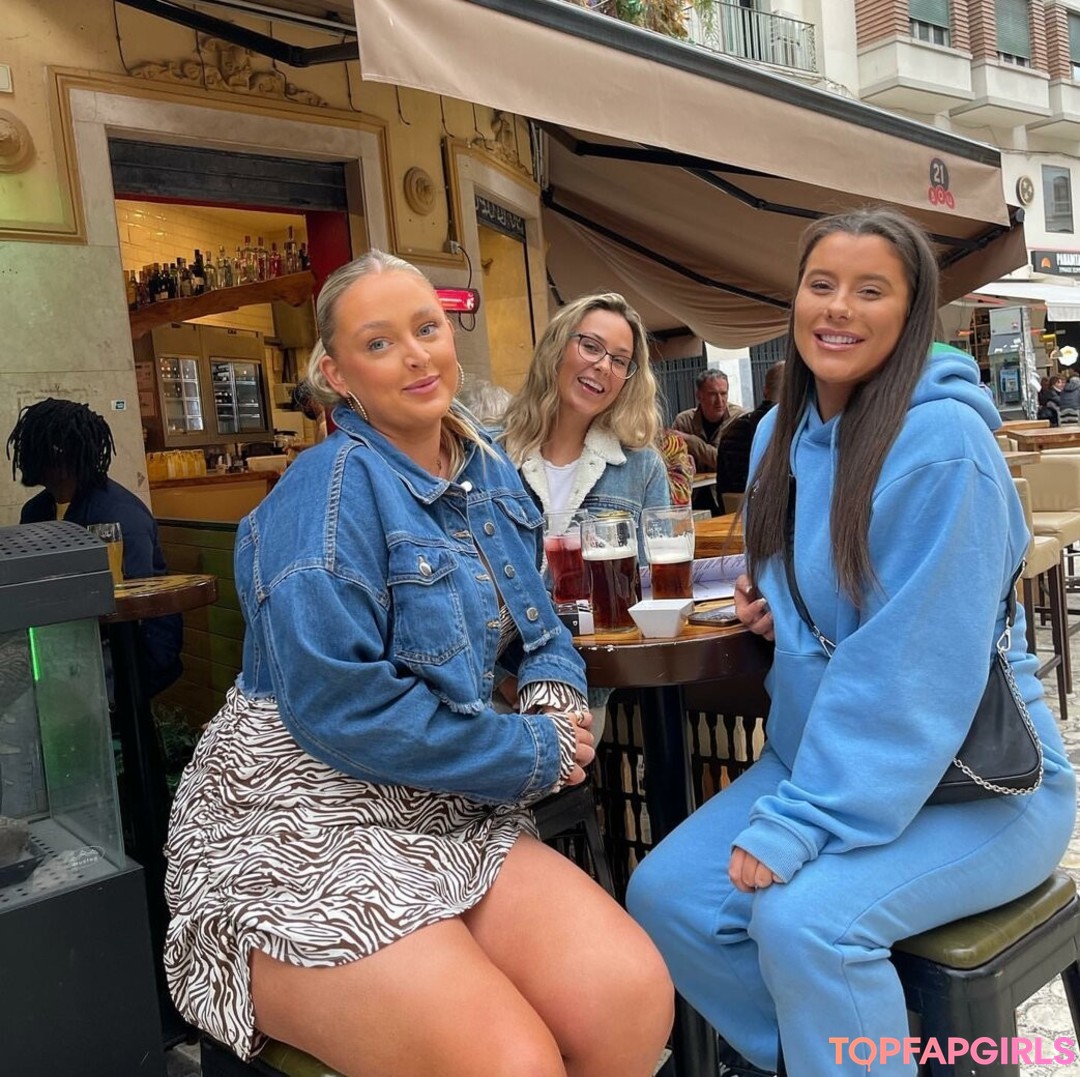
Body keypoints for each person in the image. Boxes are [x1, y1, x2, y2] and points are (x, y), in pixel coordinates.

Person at [163, 251, 673, 1077]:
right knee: (510, 1063)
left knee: (633, 998)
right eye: (379, 342)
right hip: (307, 821)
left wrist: (554, 701)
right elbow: (344, 712)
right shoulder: (322, 494)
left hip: (447, 802)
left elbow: (541, 628)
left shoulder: (487, 471)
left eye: (426, 328)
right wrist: (532, 750)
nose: (414, 354)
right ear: (336, 373)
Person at [626, 208, 1075, 1076]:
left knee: (807, 923)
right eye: (821, 284)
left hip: (978, 784)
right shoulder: (777, 437)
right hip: (824, 760)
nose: (839, 307)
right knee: (670, 898)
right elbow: (824, 597)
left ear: (912, 314)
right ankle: (852, 1052)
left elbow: (912, 670)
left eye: (872, 291)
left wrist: (803, 825)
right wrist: (778, 608)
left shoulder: (945, 445)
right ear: (794, 299)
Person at [6, 398, 182, 697]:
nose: (23, 457)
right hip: (69, 640)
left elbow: (131, 602)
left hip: (129, 650)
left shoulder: (119, 514)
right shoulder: (36, 511)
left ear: (59, 453)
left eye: (33, 446)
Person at [500, 292, 671, 550]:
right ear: (555, 348)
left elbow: (652, 573)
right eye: (591, 347)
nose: (604, 366)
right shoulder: (490, 456)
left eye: (619, 361)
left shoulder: (643, 468)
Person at [713, 361, 784, 504]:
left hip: (735, 512)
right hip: (775, 510)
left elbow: (722, 490)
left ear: (765, 390)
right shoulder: (792, 428)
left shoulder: (732, 429)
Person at [672, 368, 744, 475]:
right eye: (712, 394)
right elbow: (670, 460)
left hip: (727, 485)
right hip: (695, 485)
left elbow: (730, 463)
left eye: (723, 393)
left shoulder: (739, 419)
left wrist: (692, 442)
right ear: (699, 396)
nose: (719, 401)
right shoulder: (684, 421)